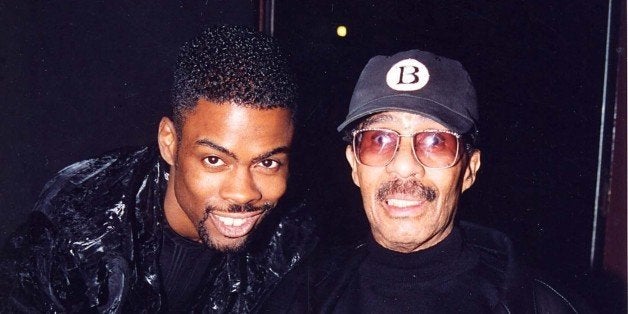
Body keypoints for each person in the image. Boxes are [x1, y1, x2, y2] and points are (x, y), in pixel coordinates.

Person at [0, 24, 316, 312]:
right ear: (170, 142)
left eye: (267, 162)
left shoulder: (293, 245)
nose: (243, 192)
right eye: (214, 160)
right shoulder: (80, 219)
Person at [260, 49, 590, 313]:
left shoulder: (541, 306)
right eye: (379, 140)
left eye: (436, 142)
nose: (404, 167)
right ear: (354, 165)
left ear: (469, 170)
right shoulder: (297, 297)